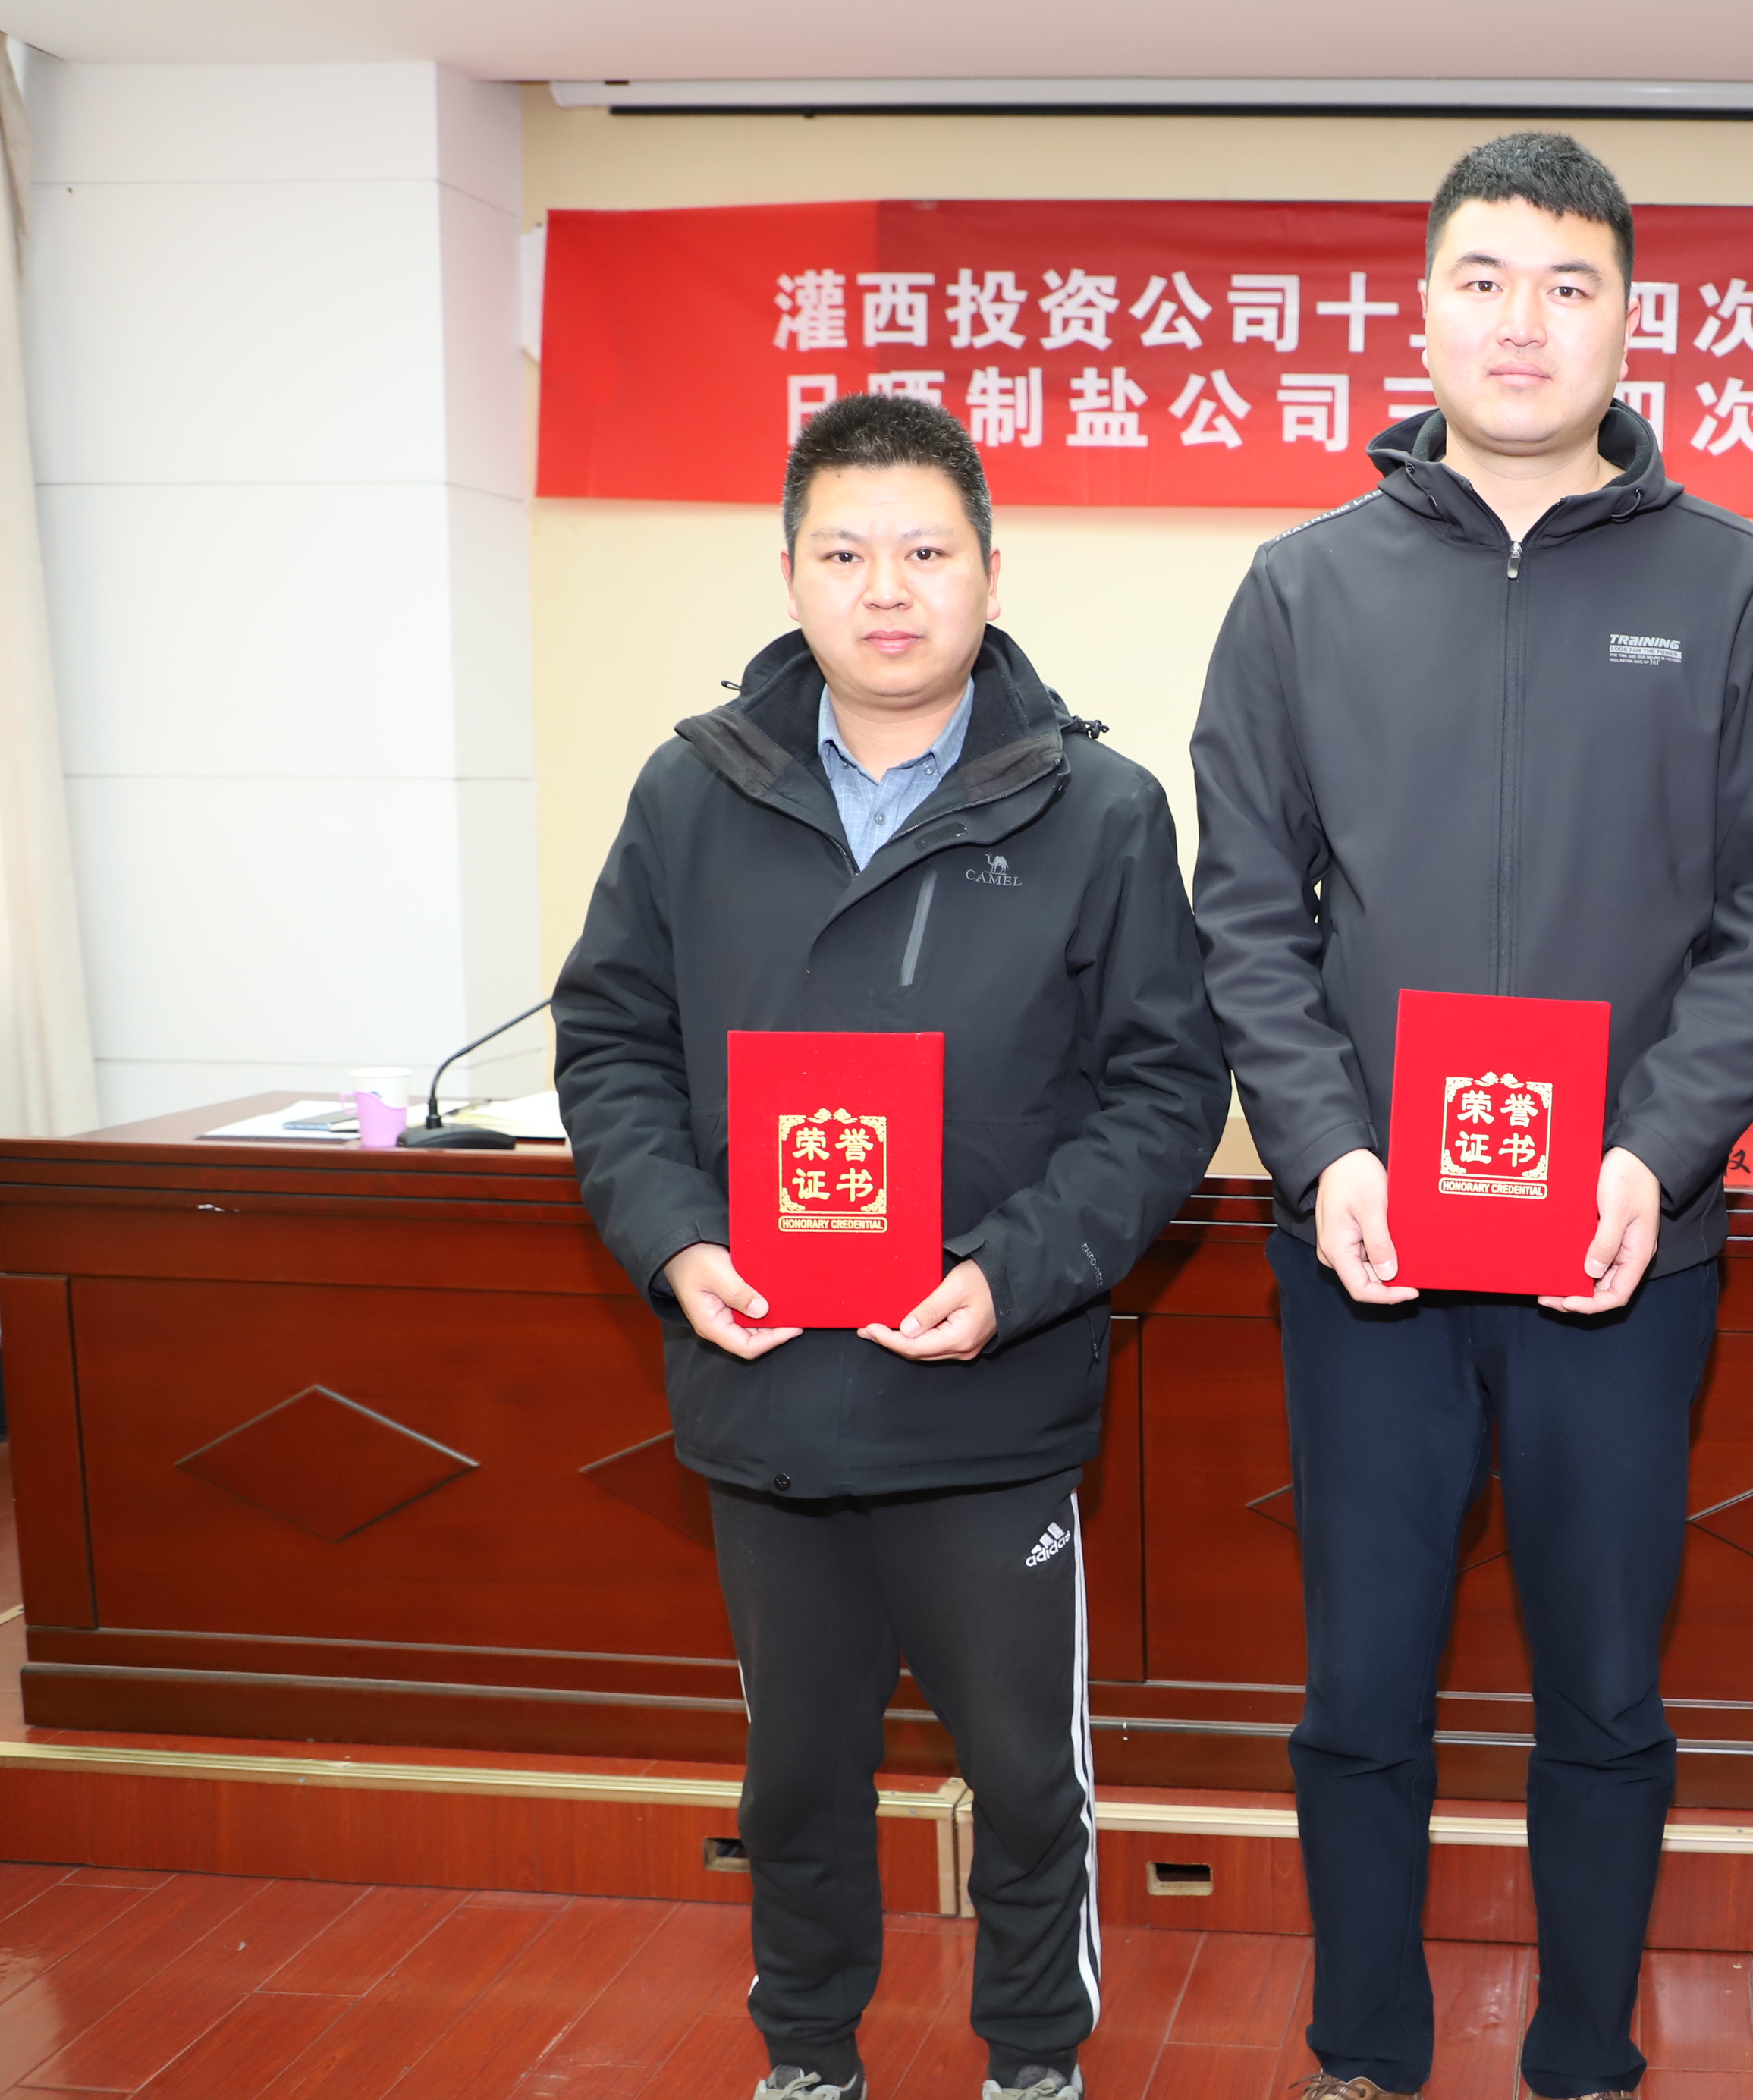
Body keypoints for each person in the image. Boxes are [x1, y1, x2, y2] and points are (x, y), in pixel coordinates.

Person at [1188, 133, 1753, 2100]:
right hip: (1370, 1248)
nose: (1523, 322)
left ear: (1630, 320)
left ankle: (1584, 2054)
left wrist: (1654, 1151)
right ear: (1422, 310)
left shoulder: (1733, 586)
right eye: (1483, 279)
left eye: (1569, 284)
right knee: (1361, 1688)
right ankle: (1365, 2050)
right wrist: (1329, 1151)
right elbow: (1246, 913)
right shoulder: (1301, 589)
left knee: (1608, 1691)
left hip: (1623, 1254)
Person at [554, 394, 1227, 2100]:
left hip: (986, 1391)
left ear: (991, 570)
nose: (888, 588)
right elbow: (610, 1043)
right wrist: (675, 1240)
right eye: (845, 552)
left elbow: (1163, 1090)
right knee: (797, 1771)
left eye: (926, 550)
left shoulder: (1098, 808)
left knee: (1026, 1773)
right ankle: (806, 2054)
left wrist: (1013, 1270)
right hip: (767, 1383)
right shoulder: (690, 793)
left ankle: (1033, 2058)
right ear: (789, 573)